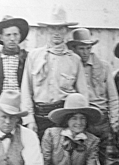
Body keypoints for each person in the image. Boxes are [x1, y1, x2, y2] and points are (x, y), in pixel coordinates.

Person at [20, 6, 88, 140]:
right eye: (53, 28)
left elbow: (83, 94)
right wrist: (29, 119)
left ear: (66, 31)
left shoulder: (74, 59)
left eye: (60, 28)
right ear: (47, 30)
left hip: (64, 116)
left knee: (62, 154)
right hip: (39, 115)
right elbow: (26, 90)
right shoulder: (34, 56)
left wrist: (78, 121)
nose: (56, 33)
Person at [67, 27, 119, 165]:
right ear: (74, 48)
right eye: (81, 48)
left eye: (88, 48)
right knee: (84, 158)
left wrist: (114, 122)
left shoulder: (104, 66)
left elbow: (113, 97)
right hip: (83, 119)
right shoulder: (71, 67)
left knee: (106, 158)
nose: (85, 52)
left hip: (102, 119)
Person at [0, 15, 29, 98]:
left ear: (20, 36)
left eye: (15, 34)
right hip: (0, 103)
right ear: (1, 37)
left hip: (22, 102)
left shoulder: (28, 58)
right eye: (8, 35)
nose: (12, 38)